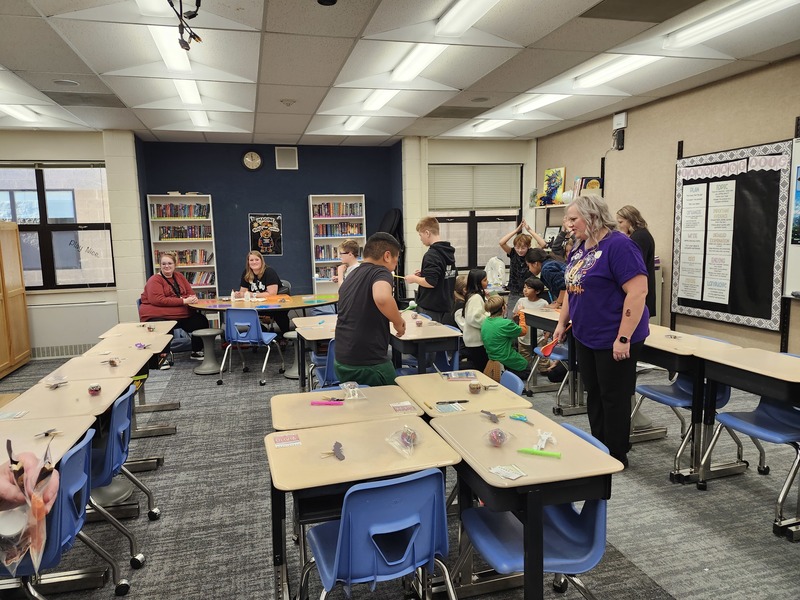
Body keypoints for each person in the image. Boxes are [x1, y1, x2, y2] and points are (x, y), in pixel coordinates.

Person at [553, 195, 649, 468]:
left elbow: (638, 292)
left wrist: (623, 338)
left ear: (593, 217)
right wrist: (562, 323)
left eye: (573, 219)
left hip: (614, 335)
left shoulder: (619, 246)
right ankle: (599, 445)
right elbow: (572, 288)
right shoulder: (579, 248)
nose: (567, 225)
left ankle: (616, 454)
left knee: (613, 395)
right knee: (593, 392)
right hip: (586, 334)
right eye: (567, 219)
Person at [334, 232, 406, 386]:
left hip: (342, 360)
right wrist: (398, 322)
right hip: (368, 363)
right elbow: (382, 298)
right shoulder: (381, 272)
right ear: (387, 256)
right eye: (396, 259)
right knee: (398, 401)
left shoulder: (352, 275)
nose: (396, 264)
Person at [139, 251, 209, 360]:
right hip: (158, 316)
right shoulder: (154, 280)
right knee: (165, 326)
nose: (167, 266)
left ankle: (196, 350)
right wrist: (183, 301)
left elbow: (190, 293)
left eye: (169, 263)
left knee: (200, 320)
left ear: (175, 265)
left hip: (179, 315)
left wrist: (191, 298)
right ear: (160, 265)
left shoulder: (179, 276)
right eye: (163, 264)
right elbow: (158, 300)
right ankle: (162, 358)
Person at [404, 217, 457, 322]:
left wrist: (413, 279)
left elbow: (431, 282)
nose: (420, 239)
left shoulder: (431, 255)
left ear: (427, 233)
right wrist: (424, 273)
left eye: (420, 235)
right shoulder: (448, 252)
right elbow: (444, 274)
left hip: (431, 307)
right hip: (445, 305)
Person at [237, 251, 291, 342]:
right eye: (251, 260)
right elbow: (243, 292)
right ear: (248, 262)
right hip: (255, 306)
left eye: (257, 260)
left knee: (280, 314)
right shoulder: (246, 273)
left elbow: (271, 294)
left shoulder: (269, 272)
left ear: (261, 261)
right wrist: (238, 294)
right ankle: (264, 332)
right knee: (246, 314)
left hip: (274, 305)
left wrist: (252, 294)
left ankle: (286, 336)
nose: (254, 262)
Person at [616, 205, 657, 318]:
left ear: (630, 220)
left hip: (639, 289)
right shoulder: (641, 234)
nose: (619, 226)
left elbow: (633, 265)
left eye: (621, 222)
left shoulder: (639, 237)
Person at [481, 295, 530, 381]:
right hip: (506, 358)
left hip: (493, 357)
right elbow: (523, 331)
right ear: (503, 308)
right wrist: (522, 313)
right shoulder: (505, 323)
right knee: (526, 367)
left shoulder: (486, 321)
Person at [499, 220, 541, 317]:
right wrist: (516, 230)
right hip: (514, 292)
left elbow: (542, 244)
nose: (520, 250)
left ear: (528, 247)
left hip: (530, 292)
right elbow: (501, 242)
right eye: (517, 247)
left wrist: (529, 230)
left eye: (523, 248)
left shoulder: (532, 254)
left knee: (529, 319)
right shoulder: (513, 253)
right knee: (511, 318)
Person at [458, 268, 490, 372]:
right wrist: (489, 318)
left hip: (475, 339)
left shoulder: (476, 295)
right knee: (481, 368)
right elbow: (474, 318)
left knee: (478, 366)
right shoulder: (476, 297)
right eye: (485, 280)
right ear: (477, 282)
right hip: (476, 340)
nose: (487, 282)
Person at [512, 276, 548, 364]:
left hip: (539, 337)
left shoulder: (543, 303)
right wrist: (517, 315)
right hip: (523, 337)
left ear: (537, 291)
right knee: (525, 362)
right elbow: (515, 318)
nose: (525, 290)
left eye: (529, 288)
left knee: (543, 361)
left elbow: (547, 321)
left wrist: (546, 336)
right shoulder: (521, 301)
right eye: (524, 287)